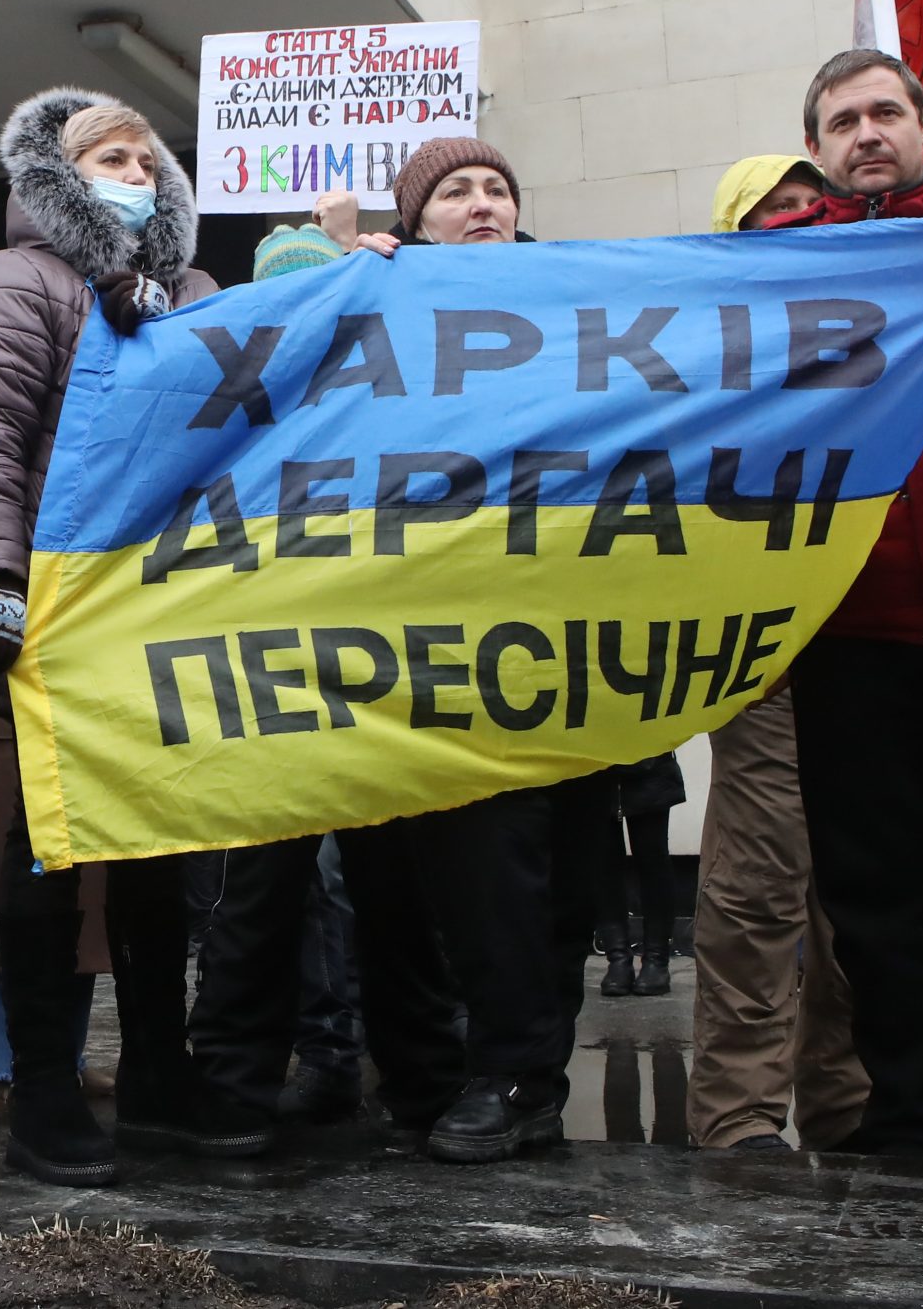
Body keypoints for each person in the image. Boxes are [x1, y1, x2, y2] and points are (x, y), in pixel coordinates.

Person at [0, 88, 228, 1188]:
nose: (132, 172)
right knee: (45, 841)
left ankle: (158, 1070)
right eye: (108, 155)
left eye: (145, 160)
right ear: (57, 175)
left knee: (162, 839)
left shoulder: (193, 294)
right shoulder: (17, 282)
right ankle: (46, 1088)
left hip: (164, 604)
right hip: (53, 608)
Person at [176, 205, 467, 1151]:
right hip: (270, 665)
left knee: (393, 886)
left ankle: (417, 1079)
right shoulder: (232, 388)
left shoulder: (395, 379)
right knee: (261, 887)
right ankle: (234, 1087)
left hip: (377, 658)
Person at [354, 137, 609, 1164]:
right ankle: (428, 1071)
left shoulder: (584, 313)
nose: (481, 203)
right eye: (454, 191)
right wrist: (342, 290)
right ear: (413, 222)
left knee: (539, 872)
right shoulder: (369, 305)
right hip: (415, 630)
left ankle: (516, 1078)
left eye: (497, 188)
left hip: (558, 628)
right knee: (415, 870)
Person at [759, 51, 923, 1155]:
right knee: (877, 901)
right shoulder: (773, 273)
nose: (866, 131)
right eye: (842, 120)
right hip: (854, 630)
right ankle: (920, 1118)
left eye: (886, 111)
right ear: (817, 149)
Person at [685, 154, 866, 1152]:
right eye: (772, 211)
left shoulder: (884, 317)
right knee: (759, 885)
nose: (797, 220)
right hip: (763, 652)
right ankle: (738, 1114)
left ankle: (845, 1100)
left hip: (870, 645)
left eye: (810, 204)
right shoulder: (715, 343)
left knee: (856, 892)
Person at [594, 755, 685, 997]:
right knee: (604, 861)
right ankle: (618, 959)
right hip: (594, 766)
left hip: (649, 761)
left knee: (652, 857)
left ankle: (656, 959)